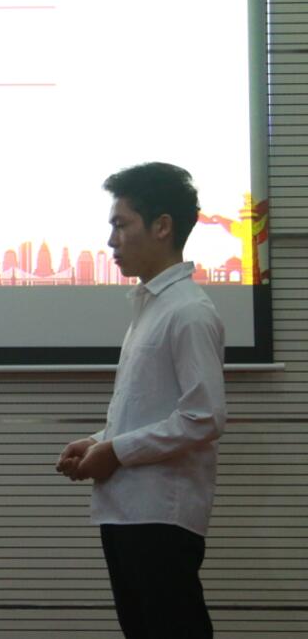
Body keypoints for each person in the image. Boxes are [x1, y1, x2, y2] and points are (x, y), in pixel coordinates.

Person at [56, 162, 226, 639]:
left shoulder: (188, 311)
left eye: (121, 224)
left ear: (162, 226)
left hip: (160, 513)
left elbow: (204, 416)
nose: (111, 240)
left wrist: (115, 450)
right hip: (128, 509)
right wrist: (99, 441)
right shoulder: (151, 306)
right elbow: (148, 407)